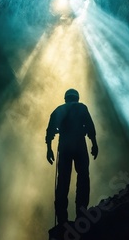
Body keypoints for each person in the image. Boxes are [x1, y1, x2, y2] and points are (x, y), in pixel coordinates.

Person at [45, 88, 99, 225]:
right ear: (77, 98)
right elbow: (90, 127)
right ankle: (81, 213)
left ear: (66, 98)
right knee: (83, 178)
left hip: (64, 146)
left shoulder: (59, 110)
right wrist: (94, 144)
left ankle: (62, 218)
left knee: (63, 180)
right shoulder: (81, 107)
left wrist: (49, 149)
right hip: (79, 145)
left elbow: (50, 130)